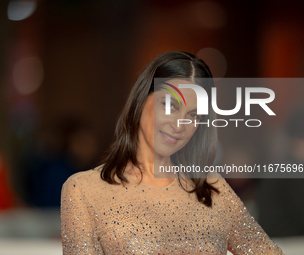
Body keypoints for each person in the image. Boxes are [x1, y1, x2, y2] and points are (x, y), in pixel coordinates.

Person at [60, 51, 284, 254]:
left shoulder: (211, 187)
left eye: (194, 115)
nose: (179, 125)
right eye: (170, 106)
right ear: (141, 101)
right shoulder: (84, 190)